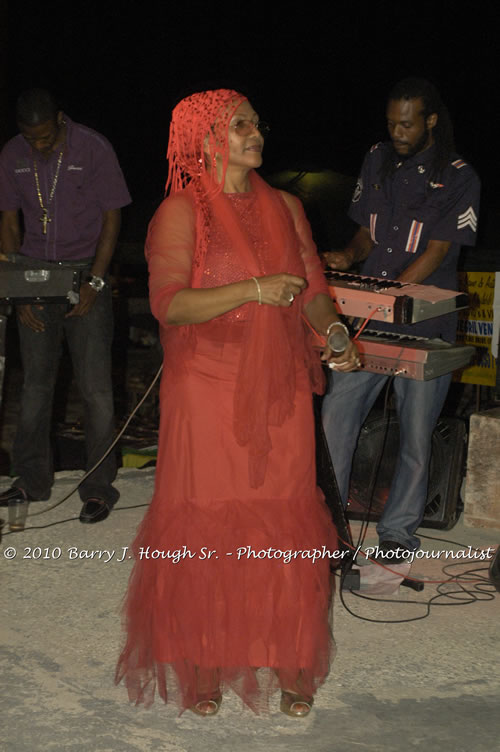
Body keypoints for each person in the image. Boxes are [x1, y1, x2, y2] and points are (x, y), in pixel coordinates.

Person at [115, 88, 359, 717]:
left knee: (285, 521)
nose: (255, 133)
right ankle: (202, 660)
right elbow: (170, 303)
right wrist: (252, 289)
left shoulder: (287, 207)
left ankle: (291, 659)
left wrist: (331, 333)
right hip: (206, 388)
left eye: (256, 123)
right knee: (205, 526)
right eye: (239, 124)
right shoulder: (179, 213)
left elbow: (310, 288)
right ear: (205, 139)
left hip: (276, 388)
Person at [322, 78, 480, 556]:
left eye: (407, 124)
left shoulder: (459, 177)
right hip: (370, 321)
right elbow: (366, 231)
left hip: (424, 322)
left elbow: (436, 251)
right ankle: (328, 524)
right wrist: (349, 258)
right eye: (392, 123)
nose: (398, 132)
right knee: (336, 416)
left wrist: (391, 294)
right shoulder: (376, 158)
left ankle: (397, 533)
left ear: (430, 120)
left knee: (416, 431)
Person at [0, 89, 131, 523]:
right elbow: (9, 220)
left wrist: (95, 278)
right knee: (35, 386)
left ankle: (98, 487)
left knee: (95, 390)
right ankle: (31, 480)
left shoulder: (92, 148)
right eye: (29, 138)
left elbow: (113, 216)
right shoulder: (12, 154)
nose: (37, 146)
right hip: (34, 270)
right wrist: (18, 288)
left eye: (44, 137)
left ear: (59, 120)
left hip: (83, 268)